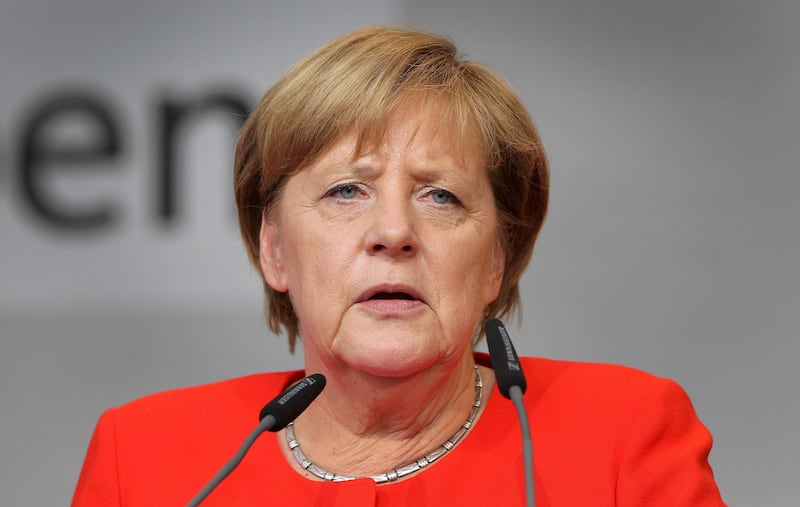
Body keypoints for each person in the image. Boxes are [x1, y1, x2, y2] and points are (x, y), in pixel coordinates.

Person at [72, 26, 726, 506]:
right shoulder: (145, 456)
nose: (392, 232)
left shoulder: (622, 434)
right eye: (345, 191)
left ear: (496, 257)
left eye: (440, 195)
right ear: (274, 247)